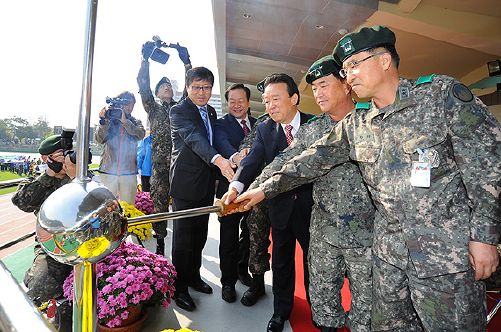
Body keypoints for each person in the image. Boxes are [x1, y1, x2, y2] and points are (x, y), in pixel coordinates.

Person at [235, 26, 501, 331]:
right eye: (345, 69)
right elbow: (309, 160)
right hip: (388, 257)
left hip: (445, 259)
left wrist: (484, 237)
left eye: (353, 65)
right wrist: (261, 191)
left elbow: (487, 166)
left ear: (384, 60)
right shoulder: (357, 123)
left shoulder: (440, 97)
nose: (348, 76)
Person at [241, 55, 376, 331]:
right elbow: (284, 162)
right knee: (324, 309)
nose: (318, 93)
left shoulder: (373, 123)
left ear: (346, 84)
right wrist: (251, 190)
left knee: (367, 308)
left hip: (366, 235)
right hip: (324, 232)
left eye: (324, 85)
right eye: (314, 88)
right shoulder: (315, 130)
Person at [223, 73, 314, 332]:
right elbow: (252, 162)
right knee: (282, 263)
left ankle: (317, 310)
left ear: (294, 97)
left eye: (276, 98)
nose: (270, 105)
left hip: (312, 209)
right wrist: (235, 187)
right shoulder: (264, 129)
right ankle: (280, 311)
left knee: (313, 263)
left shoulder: (315, 125)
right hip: (280, 206)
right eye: (266, 100)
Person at [169, 66, 235, 312]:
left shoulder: (210, 111)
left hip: (206, 183)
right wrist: (219, 160)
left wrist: (231, 155)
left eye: (206, 87)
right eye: (196, 87)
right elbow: (194, 138)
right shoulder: (178, 111)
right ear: (187, 88)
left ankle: (194, 277)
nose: (202, 92)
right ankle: (180, 288)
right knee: (183, 239)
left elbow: (214, 139)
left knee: (200, 235)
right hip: (186, 184)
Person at [12, 135, 78, 332]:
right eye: (56, 156)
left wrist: (75, 176)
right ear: (45, 159)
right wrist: (49, 174)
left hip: (83, 244)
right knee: (39, 288)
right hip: (52, 248)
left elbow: (100, 199)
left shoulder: (79, 175)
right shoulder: (40, 179)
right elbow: (22, 201)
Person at [137, 41, 192, 255]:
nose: (167, 88)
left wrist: (186, 62)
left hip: (180, 166)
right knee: (159, 205)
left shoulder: (180, 107)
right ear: (157, 92)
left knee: (181, 206)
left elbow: (191, 87)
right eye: (162, 86)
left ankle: (182, 246)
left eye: (169, 85)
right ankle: (159, 246)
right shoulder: (152, 107)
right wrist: (145, 60)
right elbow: (143, 85)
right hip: (160, 167)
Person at [214, 83, 257, 302]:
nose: (237, 105)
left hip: (254, 191)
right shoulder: (220, 124)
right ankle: (228, 282)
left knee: (250, 234)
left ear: (248, 103)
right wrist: (235, 156)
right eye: (232, 101)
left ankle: (242, 270)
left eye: (241, 101)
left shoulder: (260, 125)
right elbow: (221, 143)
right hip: (229, 189)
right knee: (228, 237)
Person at [95, 91, 145, 204]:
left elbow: (140, 134)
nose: (129, 107)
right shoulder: (109, 120)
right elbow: (99, 139)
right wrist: (104, 122)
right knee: (106, 207)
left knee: (128, 207)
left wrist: (125, 122)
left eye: (132, 104)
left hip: (128, 172)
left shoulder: (135, 122)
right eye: (127, 103)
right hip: (108, 170)